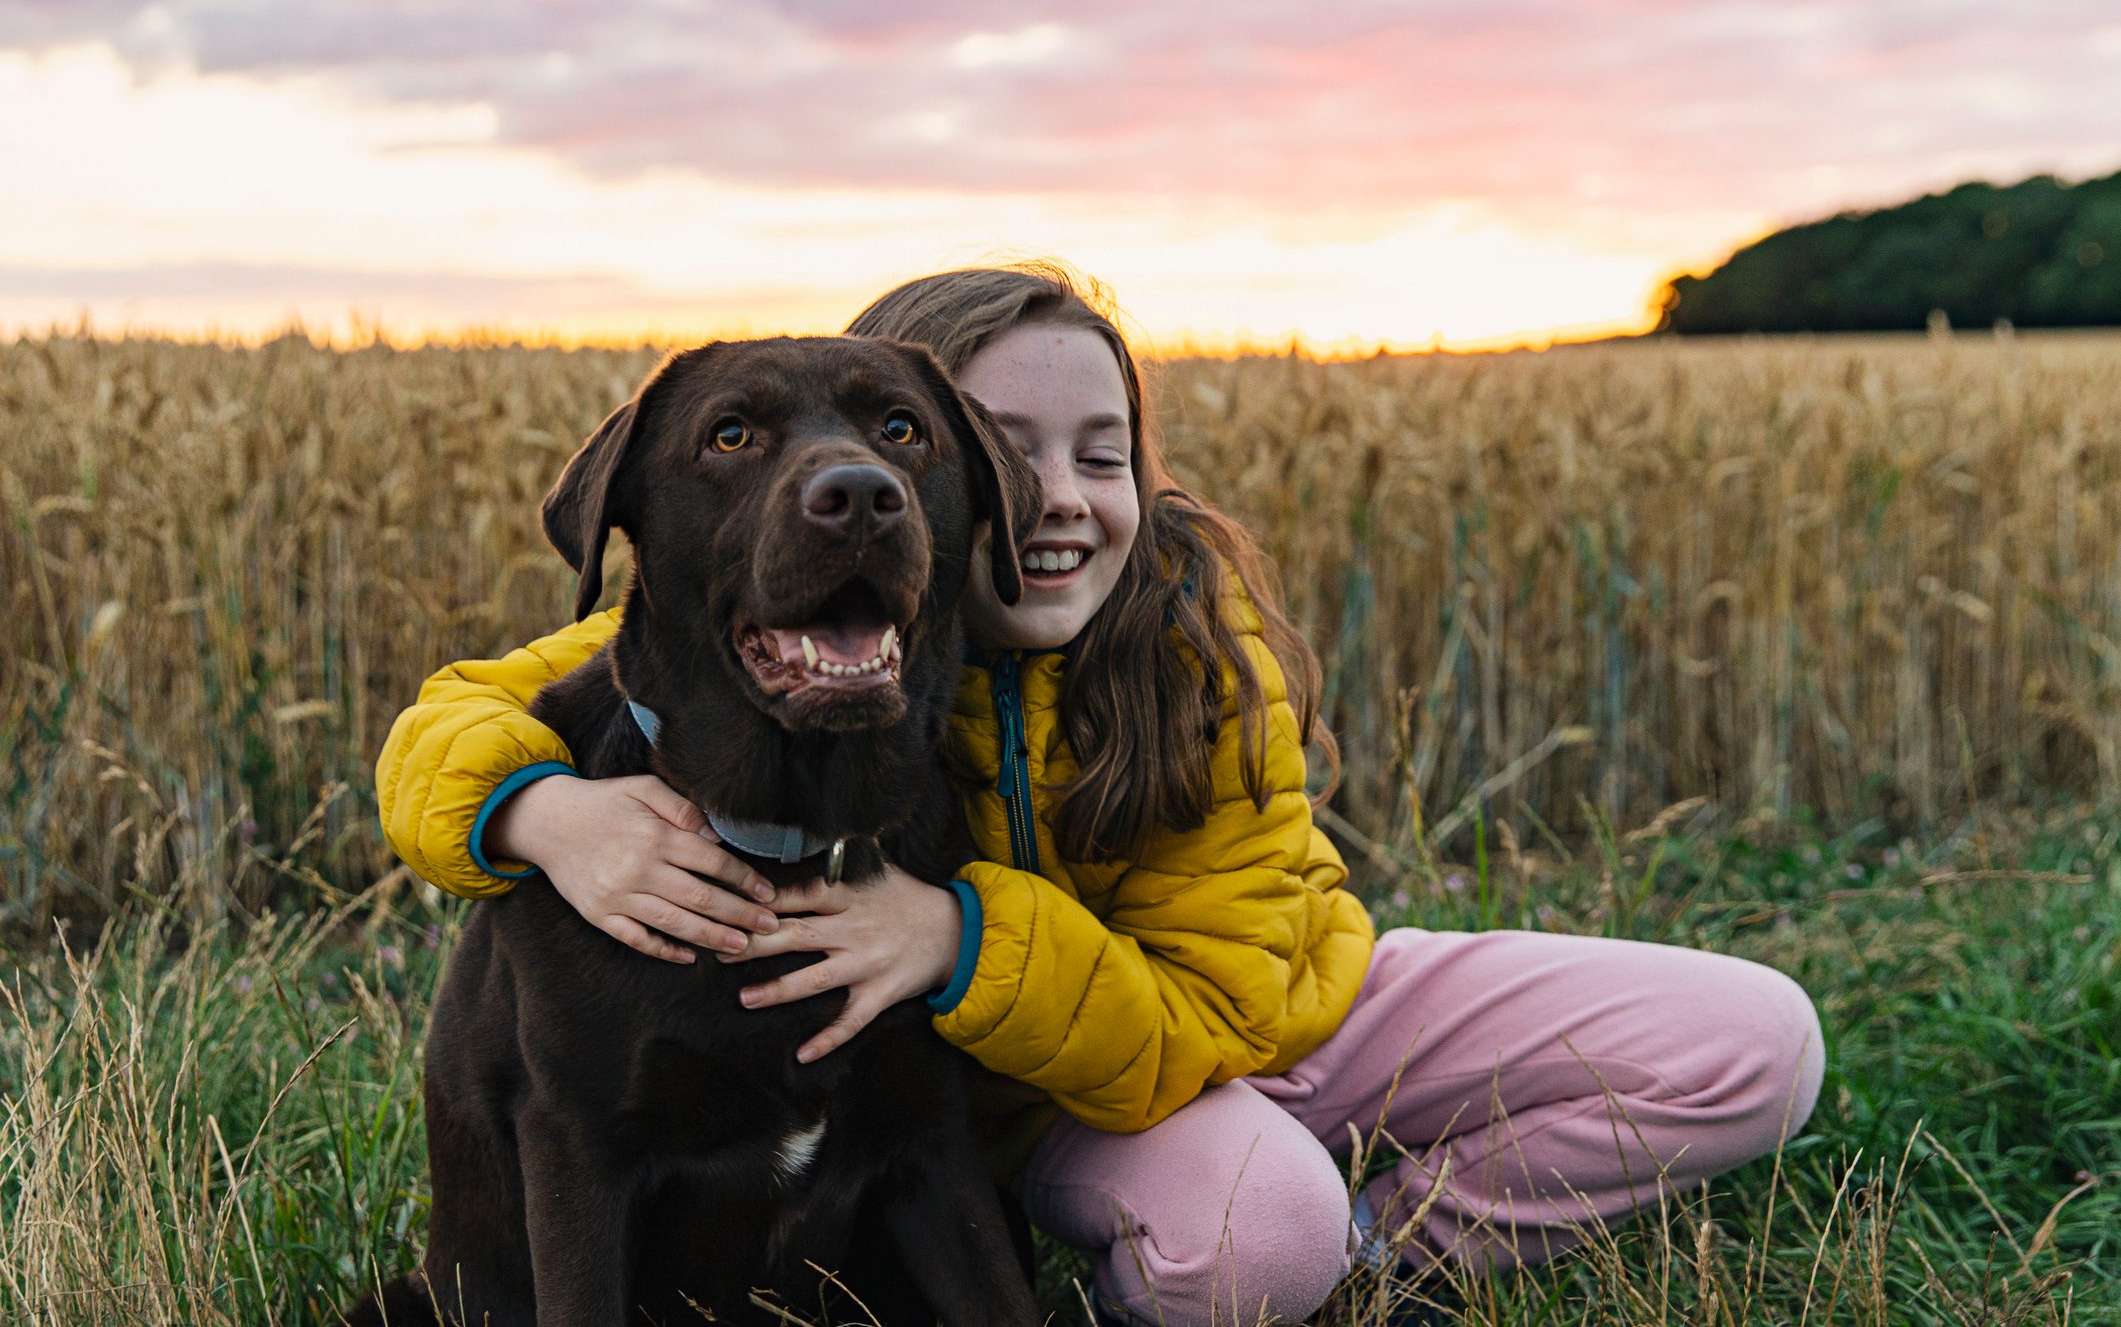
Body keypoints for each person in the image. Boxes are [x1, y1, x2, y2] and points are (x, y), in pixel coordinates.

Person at [376, 263, 1824, 1323]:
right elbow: (461, 713)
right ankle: (1281, 1226)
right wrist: (537, 811)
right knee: (1256, 1241)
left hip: (1266, 1014)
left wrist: (957, 939)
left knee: (1756, 1036)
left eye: (1103, 453)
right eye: (1005, 453)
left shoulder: (1194, 640)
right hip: (1086, 1093)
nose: (1058, 498)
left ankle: (1384, 1249)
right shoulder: (778, 651)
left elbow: (1221, 999)